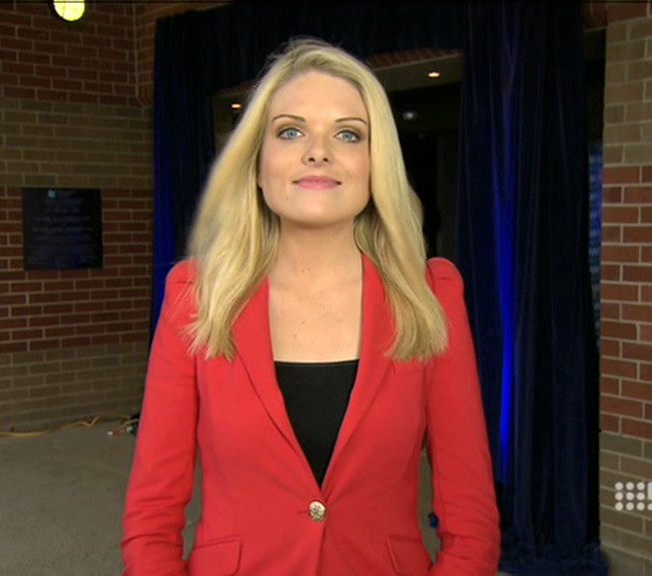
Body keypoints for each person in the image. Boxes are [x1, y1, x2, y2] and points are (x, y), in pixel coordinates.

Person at [122, 38, 500, 575]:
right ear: (257, 164)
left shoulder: (431, 295)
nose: (318, 151)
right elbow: (152, 514)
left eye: (348, 134)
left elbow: (471, 517)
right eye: (291, 131)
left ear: (375, 165)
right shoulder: (196, 297)